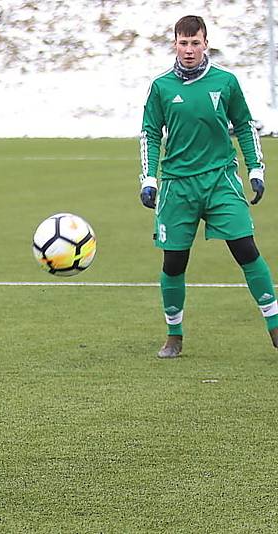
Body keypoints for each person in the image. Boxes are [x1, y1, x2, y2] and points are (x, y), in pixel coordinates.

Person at [139, 15, 278, 358]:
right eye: (183, 43)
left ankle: (276, 328)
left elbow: (245, 126)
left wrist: (256, 169)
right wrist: (149, 178)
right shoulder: (161, 87)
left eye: (195, 43)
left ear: (206, 44)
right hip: (177, 185)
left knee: (246, 249)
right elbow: (150, 134)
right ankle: (174, 336)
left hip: (220, 180)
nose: (189, 50)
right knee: (174, 262)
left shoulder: (225, 82)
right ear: (175, 44)